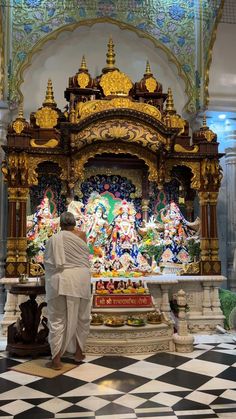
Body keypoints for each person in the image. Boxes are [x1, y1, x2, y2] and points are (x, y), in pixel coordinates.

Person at [44, 211, 91, 370]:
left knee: (57, 319)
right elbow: (85, 259)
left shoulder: (54, 240)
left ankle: (56, 359)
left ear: (60, 224)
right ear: (74, 224)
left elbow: (48, 263)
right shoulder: (82, 236)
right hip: (80, 280)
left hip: (60, 281)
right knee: (81, 317)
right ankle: (78, 353)